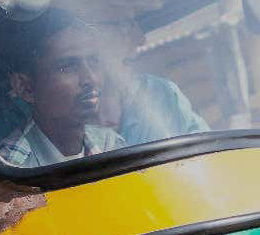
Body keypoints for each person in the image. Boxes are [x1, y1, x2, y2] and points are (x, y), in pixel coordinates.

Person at [0, 10, 126, 167]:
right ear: (26, 88)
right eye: (67, 67)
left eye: (94, 61)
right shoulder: (12, 168)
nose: (90, 79)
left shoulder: (110, 144)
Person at [87, 11, 209, 146]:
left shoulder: (163, 93)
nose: (140, 39)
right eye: (125, 26)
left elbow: (208, 150)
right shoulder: (70, 112)